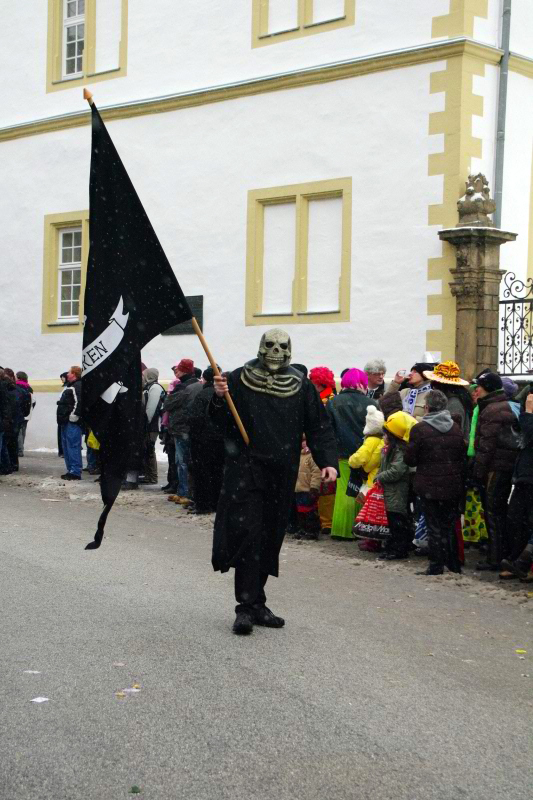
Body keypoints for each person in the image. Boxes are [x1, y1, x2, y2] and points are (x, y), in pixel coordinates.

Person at [210, 328, 338, 635]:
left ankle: (257, 603)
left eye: (281, 346)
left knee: (270, 536)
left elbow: (318, 426)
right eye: (270, 345)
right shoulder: (238, 379)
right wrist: (219, 398)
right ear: (260, 347)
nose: (275, 351)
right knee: (248, 535)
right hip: (246, 469)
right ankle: (244, 607)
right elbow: (220, 423)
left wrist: (327, 461)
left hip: (281, 472)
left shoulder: (301, 386)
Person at [404, 390, 466, 575]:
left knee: (433, 525)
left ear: (427, 407)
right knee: (449, 524)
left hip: (429, 484)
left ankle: (436, 565)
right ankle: (453, 564)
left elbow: (410, 459)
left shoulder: (420, 429)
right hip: (452, 484)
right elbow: (461, 457)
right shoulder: (456, 429)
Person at [471, 371, 520, 570]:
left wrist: (477, 472)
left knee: (493, 512)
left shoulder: (491, 410)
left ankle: (495, 557)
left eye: (479, 386)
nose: (476, 390)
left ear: (488, 388)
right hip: (504, 465)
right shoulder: (501, 405)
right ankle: (502, 553)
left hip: (495, 468)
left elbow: (486, 446)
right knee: (498, 511)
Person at [326, 368, 377, 539]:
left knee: (344, 490)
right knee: (362, 489)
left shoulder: (333, 402)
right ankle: (359, 529)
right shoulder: (371, 403)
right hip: (365, 453)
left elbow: (327, 428)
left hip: (341, 452)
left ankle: (341, 530)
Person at [499, 388, 533, 579]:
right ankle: (517, 561)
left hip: (529, 474)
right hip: (524, 474)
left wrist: (528, 413)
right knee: (516, 519)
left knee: (527, 520)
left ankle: (523, 563)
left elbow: (530, 432)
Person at [376, 411, 417, 559]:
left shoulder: (399, 451)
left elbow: (397, 471)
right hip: (391, 492)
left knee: (397, 521)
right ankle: (393, 547)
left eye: (385, 434)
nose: (383, 437)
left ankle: (399, 549)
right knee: (393, 520)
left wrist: (380, 477)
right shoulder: (390, 450)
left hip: (397, 491)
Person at [163, 359, 202, 505]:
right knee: (186, 461)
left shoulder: (184, 387)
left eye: (178, 369)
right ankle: (184, 491)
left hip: (182, 428)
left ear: (184, 370)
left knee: (182, 462)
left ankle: (184, 492)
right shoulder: (198, 385)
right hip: (191, 428)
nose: (176, 371)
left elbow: (168, 404)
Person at [187, 366, 225, 514]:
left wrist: (195, 435)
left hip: (203, 441)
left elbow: (195, 418)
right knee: (217, 473)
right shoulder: (223, 395)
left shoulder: (203, 395)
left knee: (202, 473)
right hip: (219, 440)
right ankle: (216, 503)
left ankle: (203, 504)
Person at [348, 405, 385, 551]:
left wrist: (352, 460)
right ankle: (374, 540)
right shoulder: (382, 439)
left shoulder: (371, 440)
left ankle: (371, 540)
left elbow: (361, 457)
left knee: (370, 511)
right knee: (377, 512)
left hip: (371, 480)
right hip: (379, 478)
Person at [422, 361, 472, 439]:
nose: (433, 388)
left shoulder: (454, 404)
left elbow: (452, 433)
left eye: (434, 384)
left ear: (441, 385)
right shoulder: (450, 399)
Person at [57, 366, 83, 480]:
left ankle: (75, 471)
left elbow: (79, 402)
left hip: (72, 422)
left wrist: (73, 416)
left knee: (73, 446)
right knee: (67, 446)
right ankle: (71, 469)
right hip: (65, 421)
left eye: (69, 372)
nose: (67, 374)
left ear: (74, 374)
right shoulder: (71, 386)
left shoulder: (77, 386)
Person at [141, 368, 166, 485]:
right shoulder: (149, 387)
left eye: (144, 375)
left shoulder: (155, 387)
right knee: (147, 450)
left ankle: (152, 476)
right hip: (150, 425)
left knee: (150, 450)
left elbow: (151, 407)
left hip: (152, 425)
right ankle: (148, 475)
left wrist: (145, 422)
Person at [293, 438, 322, 540]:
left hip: (309, 489)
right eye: (302, 441)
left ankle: (312, 531)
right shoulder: (298, 456)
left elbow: (316, 473)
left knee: (310, 511)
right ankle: (303, 528)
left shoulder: (312, 456)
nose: (304, 443)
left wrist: (314, 487)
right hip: (299, 488)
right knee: (300, 511)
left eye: (306, 440)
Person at [15, 371, 34, 457]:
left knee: (18, 431)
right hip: (27, 413)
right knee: (23, 431)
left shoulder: (17, 386)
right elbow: (33, 401)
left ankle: (19, 450)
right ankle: (21, 447)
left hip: (19, 413)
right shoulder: (29, 387)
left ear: (19, 377)